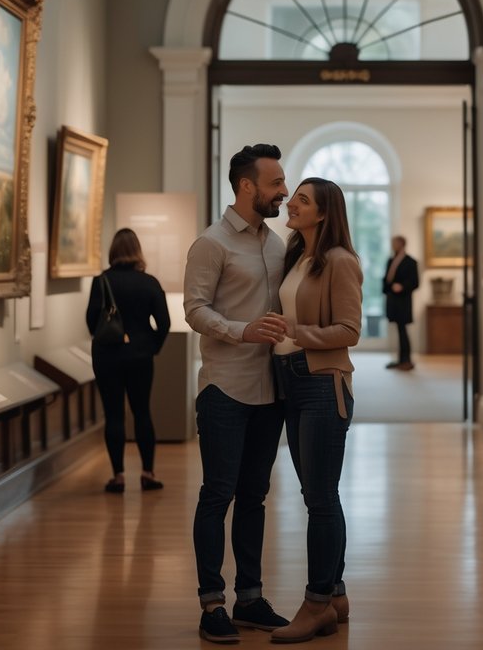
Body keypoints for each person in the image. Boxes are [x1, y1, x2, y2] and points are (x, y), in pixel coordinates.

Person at [184, 143, 292, 644]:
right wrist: (241, 331)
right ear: (247, 186)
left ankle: (250, 598)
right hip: (225, 389)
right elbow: (195, 310)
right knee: (217, 495)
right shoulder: (211, 243)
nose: (284, 192)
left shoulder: (277, 244)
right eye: (275, 183)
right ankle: (211, 604)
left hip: (270, 392)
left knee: (255, 497)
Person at [266, 177, 361, 643]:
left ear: (323, 213)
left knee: (320, 499)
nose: (291, 203)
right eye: (293, 196)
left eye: (302, 200)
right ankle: (336, 595)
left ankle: (316, 603)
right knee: (318, 496)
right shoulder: (296, 257)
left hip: (322, 383)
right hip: (290, 381)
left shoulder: (341, 262)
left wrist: (298, 331)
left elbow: (350, 330)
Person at [85, 228, 171, 494]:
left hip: (107, 356)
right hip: (140, 356)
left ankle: (118, 476)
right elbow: (164, 322)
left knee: (113, 415)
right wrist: (151, 346)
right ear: (137, 251)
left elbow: (91, 322)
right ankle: (147, 472)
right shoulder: (149, 282)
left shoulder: (101, 281)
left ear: (113, 251)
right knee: (142, 412)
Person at [382, 235, 419, 371]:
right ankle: (401, 360)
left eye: (394, 243)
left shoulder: (410, 262)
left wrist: (402, 286)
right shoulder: (391, 260)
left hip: (403, 301)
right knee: (399, 330)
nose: (393, 245)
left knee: (403, 330)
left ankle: (407, 360)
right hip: (393, 301)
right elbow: (386, 280)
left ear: (401, 244)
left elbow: (415, 282)